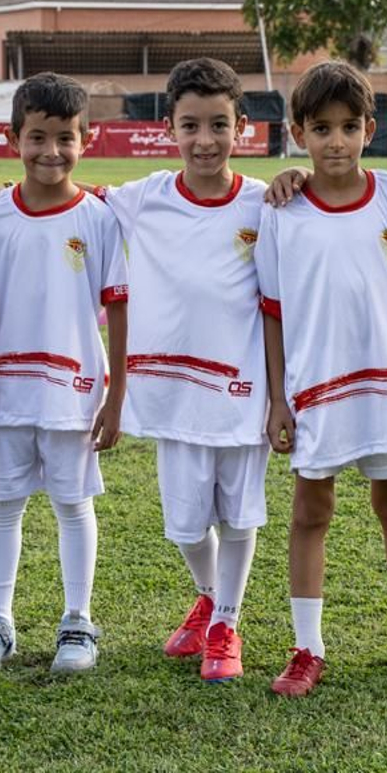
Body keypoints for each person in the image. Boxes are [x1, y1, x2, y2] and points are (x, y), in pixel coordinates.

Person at [256, 61, 387, 698]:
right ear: (298, 132)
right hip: (316, 386)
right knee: (310, 512)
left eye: (350, 127)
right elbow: (272, 312)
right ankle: (306, 648)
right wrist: (277, 401)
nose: (336, 142)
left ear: (370, 129)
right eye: (321, 129)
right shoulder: (283, 210)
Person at [94, 58, 272, 683]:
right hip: (170, 392)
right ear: (168, 127)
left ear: (242, 127)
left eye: (219, 125)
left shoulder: (264, 203)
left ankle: (225, 624)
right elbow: (69, 205)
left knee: (239, 513)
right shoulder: (142, 199)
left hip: (243, 388)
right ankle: (206, 596)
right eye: (190, 125)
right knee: (186, 521)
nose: (205, 140)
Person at [0, 72, 128, 675]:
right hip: (1, 391)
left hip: (76, 389)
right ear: (13, 139)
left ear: (88, 140)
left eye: (65, 138)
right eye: (37, 138)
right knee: (1, 504)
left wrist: (117, 398)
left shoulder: (101, 219)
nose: (50, 152)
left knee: (72, 503)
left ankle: (77, 621)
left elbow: (119, 306)